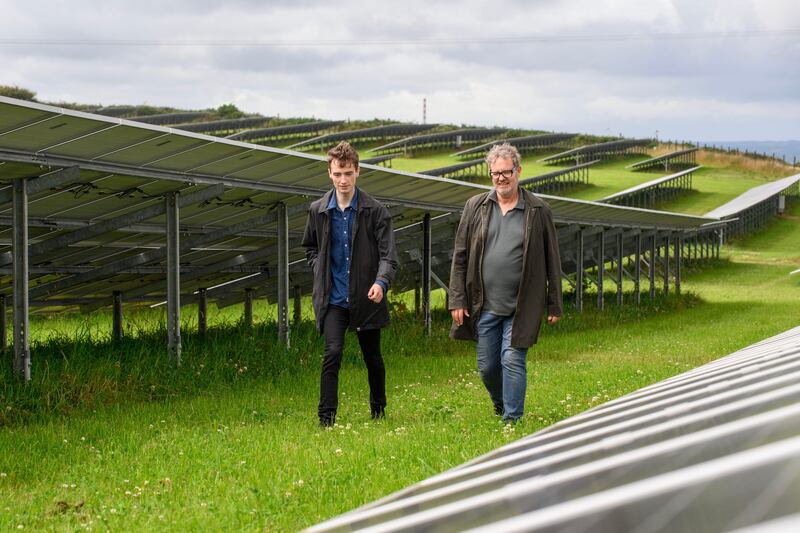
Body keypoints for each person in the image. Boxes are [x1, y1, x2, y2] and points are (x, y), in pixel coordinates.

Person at [449, 142, 563, 423]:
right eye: (495, 173)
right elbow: (460, 255)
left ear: (518, 171)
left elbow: (552, 259)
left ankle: (512, 419)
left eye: (506, 172)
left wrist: (554, 303)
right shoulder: (475, 207)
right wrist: (457, 299)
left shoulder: (537, 210)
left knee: (512, 359)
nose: (500, 178)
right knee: (487, 367)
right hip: (484, 304)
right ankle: (500, 403)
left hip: (522, 305)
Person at [302, 141, 398, 428]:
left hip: (367, 297)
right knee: (332, 353)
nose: (343, 180)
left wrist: (381, 282)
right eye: (337, 174)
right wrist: (320, 270)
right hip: (333, 298)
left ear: (358, 172)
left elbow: (388, 255)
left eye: (348, 173)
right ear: (329, 174)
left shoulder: (375, 211)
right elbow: (310, 247)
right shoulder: (318, 210)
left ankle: (378, 410)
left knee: (373, 358)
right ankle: (326, 418)